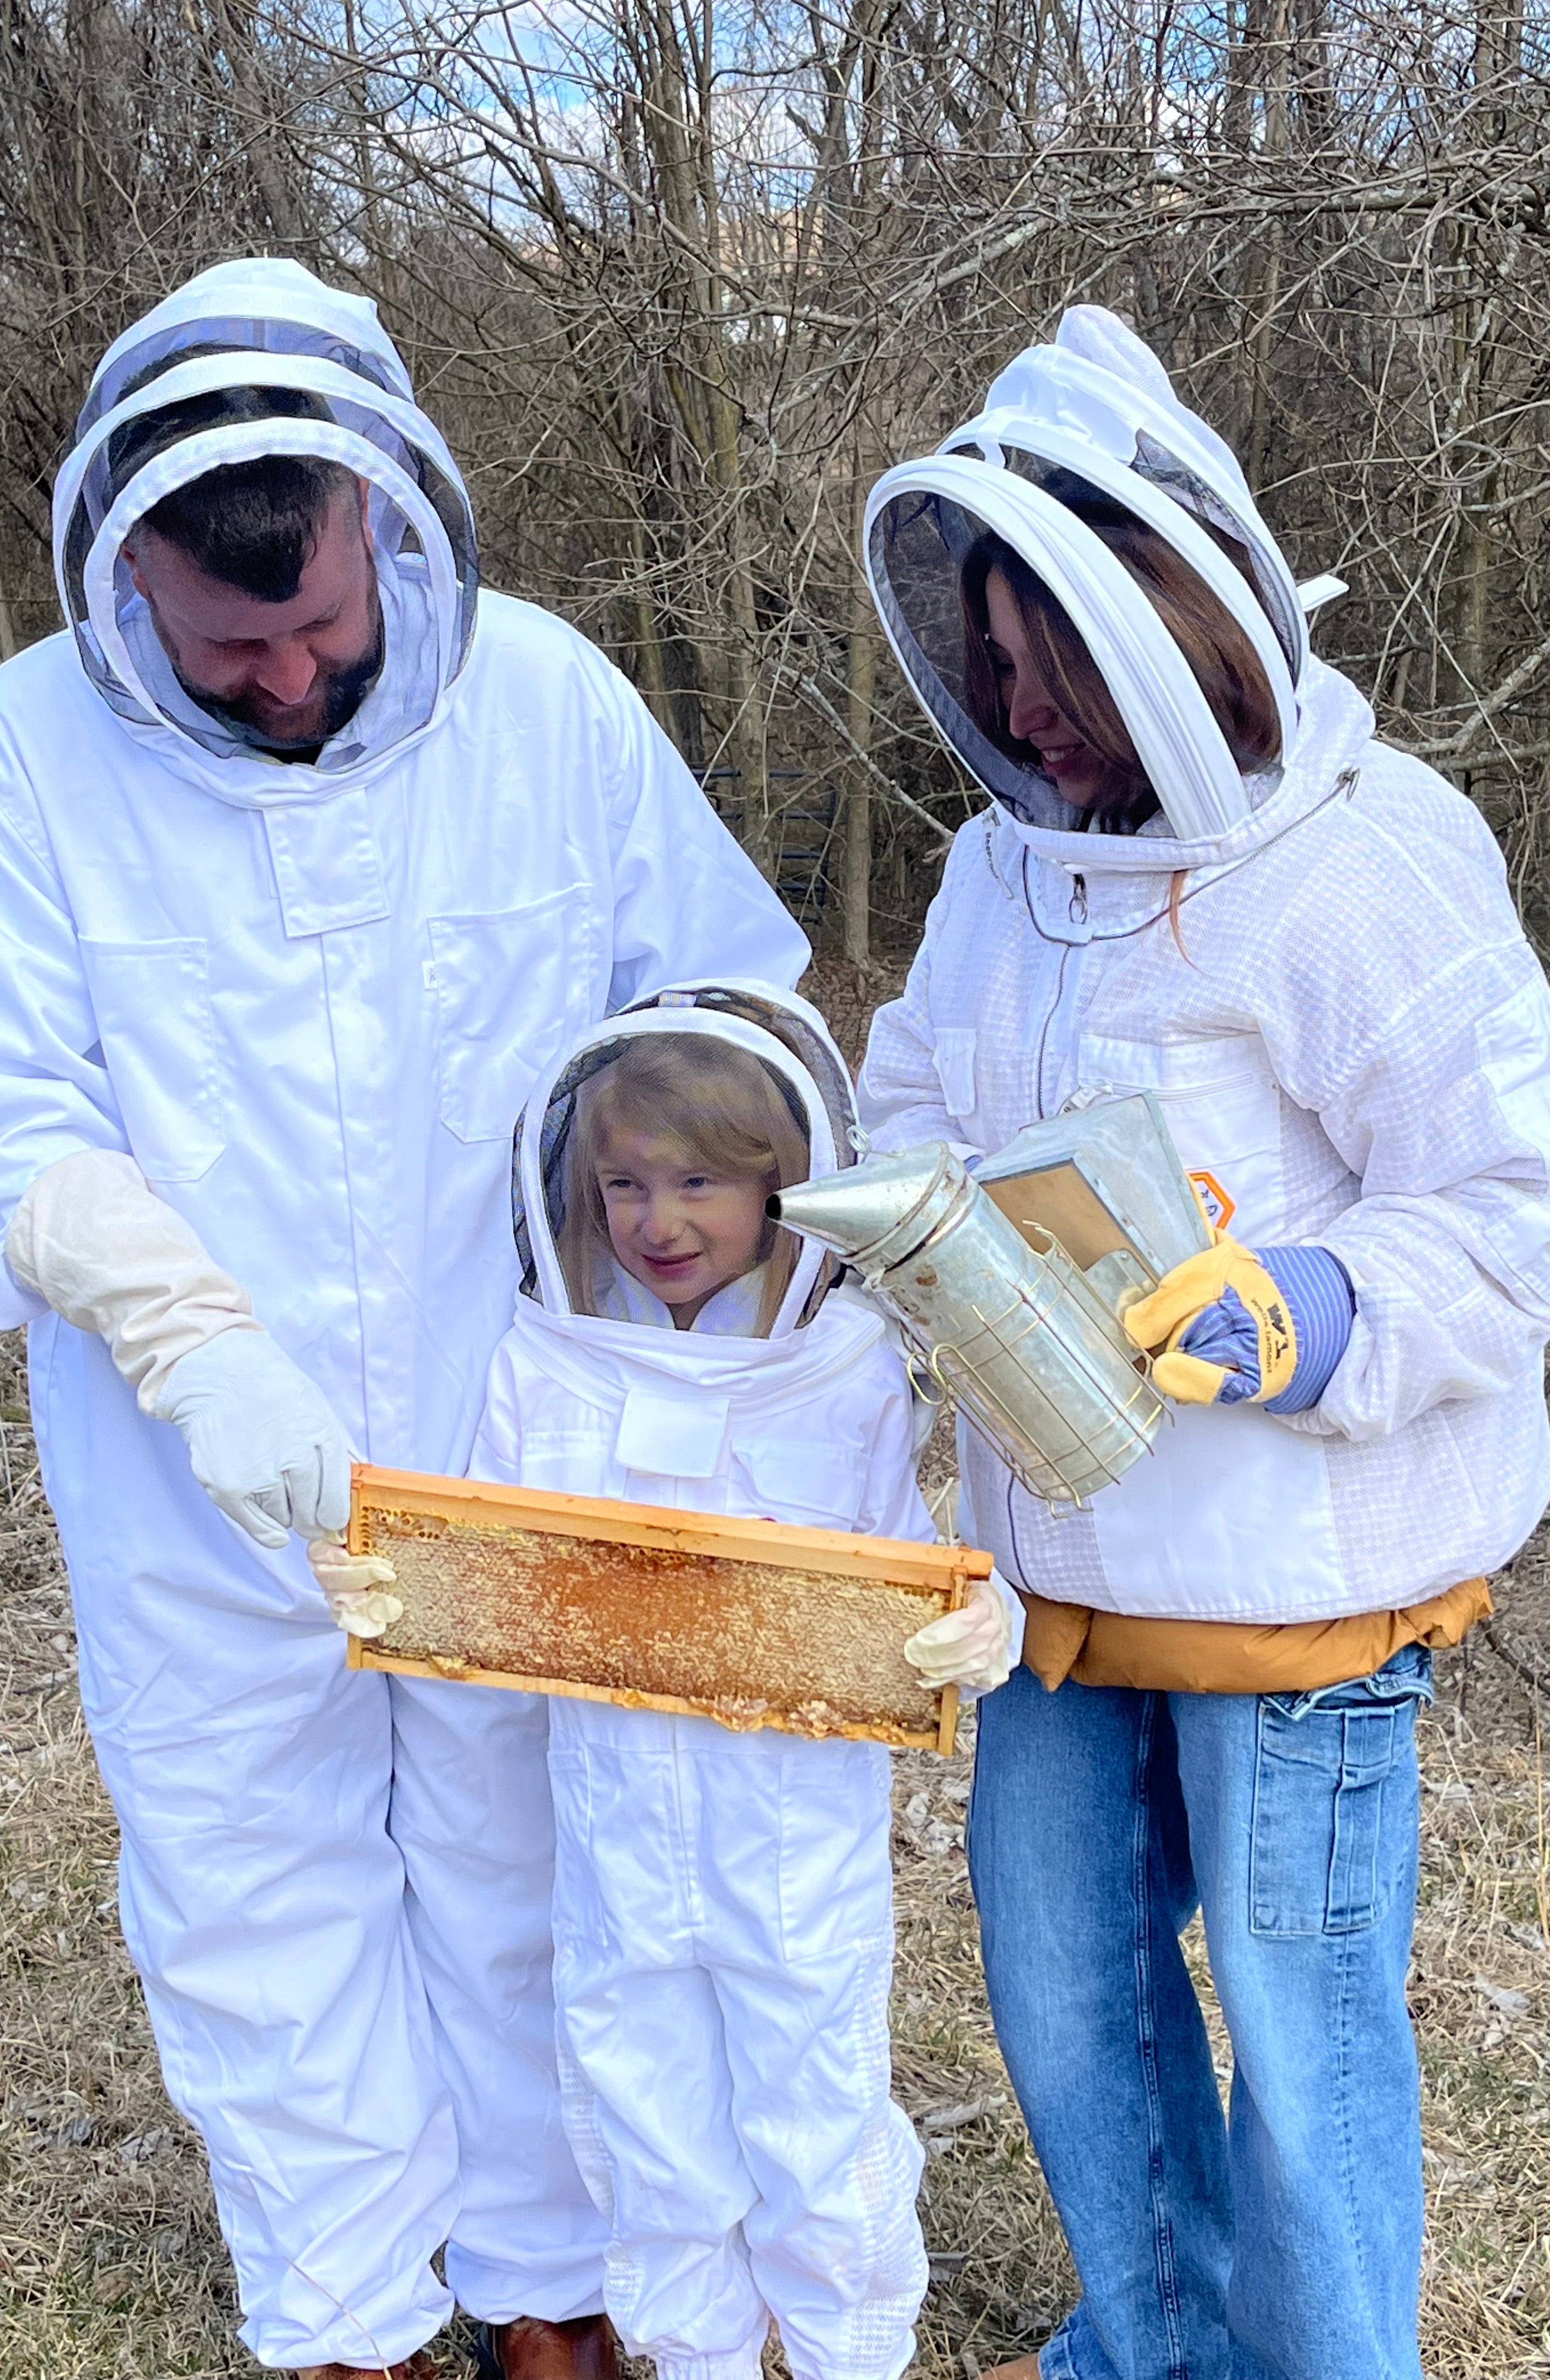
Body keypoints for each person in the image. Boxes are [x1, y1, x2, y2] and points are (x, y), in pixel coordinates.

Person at [0, 258, 809, 2380]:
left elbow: (719, 1010)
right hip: (186, 1463)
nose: (293, 674)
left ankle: (545, 2285)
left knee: (524, 1853)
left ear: (388, 524)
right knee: (251, 1869)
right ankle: (345, 2317)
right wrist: (190, 1338)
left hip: (516, 1415)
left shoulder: (556, 705)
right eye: (235, 645)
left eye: (319, 621)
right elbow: (4, 1106)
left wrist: (717, 1279)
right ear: (127, 566)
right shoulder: (32, 751)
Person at [855, 308, 1550, 2380]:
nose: (1030, 719)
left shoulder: (1363, 859)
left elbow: (1514, 1204)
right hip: (1055, 1574)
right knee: (1067, 1992)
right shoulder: (1000, 864)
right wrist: (892, 1214)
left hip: (1297, 1598)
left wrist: (1307, 1308)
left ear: (1183, 637)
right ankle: (1149, 2346)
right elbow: (915, 1076)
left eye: (1062, 676)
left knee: (1300, 2009)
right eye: (999, 675)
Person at [427, 982, 1022, 2380]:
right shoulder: (547, 1359)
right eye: (625, 1183)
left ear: (786, 1185)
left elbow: (913, 1560)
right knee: (643, 2104)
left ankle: (844, 2353)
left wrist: (966, 1628)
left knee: (811, 2107)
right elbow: (494, 1557)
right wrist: (410, 1578)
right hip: (614, 1825)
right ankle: (689, 2353)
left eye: (700, 1180)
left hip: (792, 1834)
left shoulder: (847, 1367)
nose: (659, 1220)